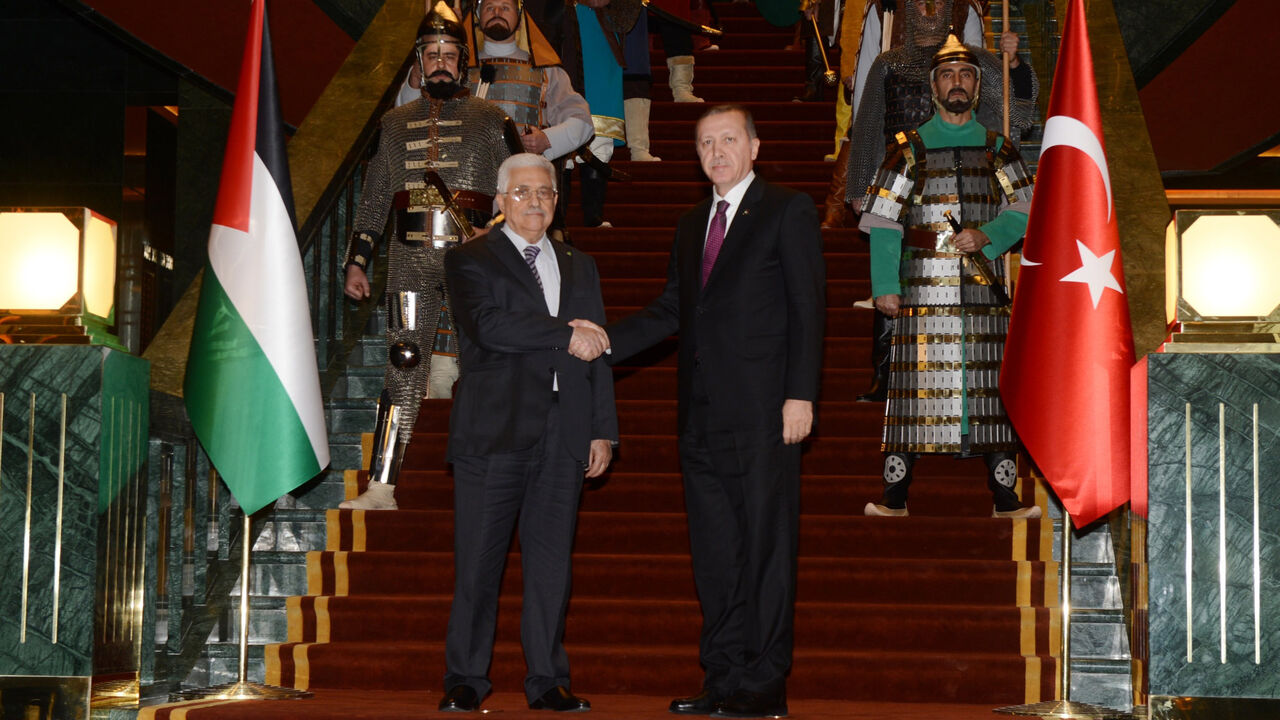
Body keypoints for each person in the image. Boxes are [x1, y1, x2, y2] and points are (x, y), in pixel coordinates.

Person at [606, 105, 825, 718]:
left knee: (765, 550)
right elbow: (674, 310)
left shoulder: (787, 209)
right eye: (706, 142)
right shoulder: (689, 224)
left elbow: (807, 307)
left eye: (729, 139)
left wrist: (801, 394)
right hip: (699, 420)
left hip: (765, 414)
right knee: (717, 555)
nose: (717, 151)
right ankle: (723, 675)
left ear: (755, 146)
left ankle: (764, 680)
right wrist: (601, 344)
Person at [438, 153, 618, 713]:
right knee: (478, 565)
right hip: (494, 432)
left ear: (557, 201)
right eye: (522, 192)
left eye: (545, 192)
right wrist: (566, 333)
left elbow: (599, 350)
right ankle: (465, 678)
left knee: (550, 568)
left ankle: (548, 680)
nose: (535, 201)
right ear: (499, 200)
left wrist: (601, 430)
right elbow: (490, 327)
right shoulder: (470, 259)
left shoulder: (579, 263)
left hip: (564, 434)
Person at [339, 2, 515, 511]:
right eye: (431, 54)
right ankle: (383, 486)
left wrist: (494, 231)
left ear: (463, 62)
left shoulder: (491, 120)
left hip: (475, 261)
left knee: (484, 362)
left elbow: (522, 193)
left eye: (449, 54)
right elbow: (374, 199)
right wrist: (357, 261)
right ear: (419, 63)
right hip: (408, 258)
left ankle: (496, 475)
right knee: (404, 358)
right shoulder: (393, 125)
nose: (440, 62)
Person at [858, 34, 1038, 519]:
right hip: (920, 282)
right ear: (933, 87)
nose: (956, 84)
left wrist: (990, 234)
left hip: (983, 284)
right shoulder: (907, 149)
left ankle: (1004, 497)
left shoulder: (998, 148)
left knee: (988, 385)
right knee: (915, 386)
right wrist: (885, 286)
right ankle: (896, 495)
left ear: (977, 87)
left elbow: (1026, 209)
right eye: (946, 75)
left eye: (965, 75)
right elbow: (882, 221)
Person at [844, 0, 1036, 403]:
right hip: (901, 175)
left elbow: (1018, 119)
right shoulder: (889, 64)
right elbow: (869, 123)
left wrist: (1013, 66)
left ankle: (979, 389)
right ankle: (885, 373)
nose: (927, 10)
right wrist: (863, 184)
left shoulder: (979, 63)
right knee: (894, 274)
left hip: (970, 180)